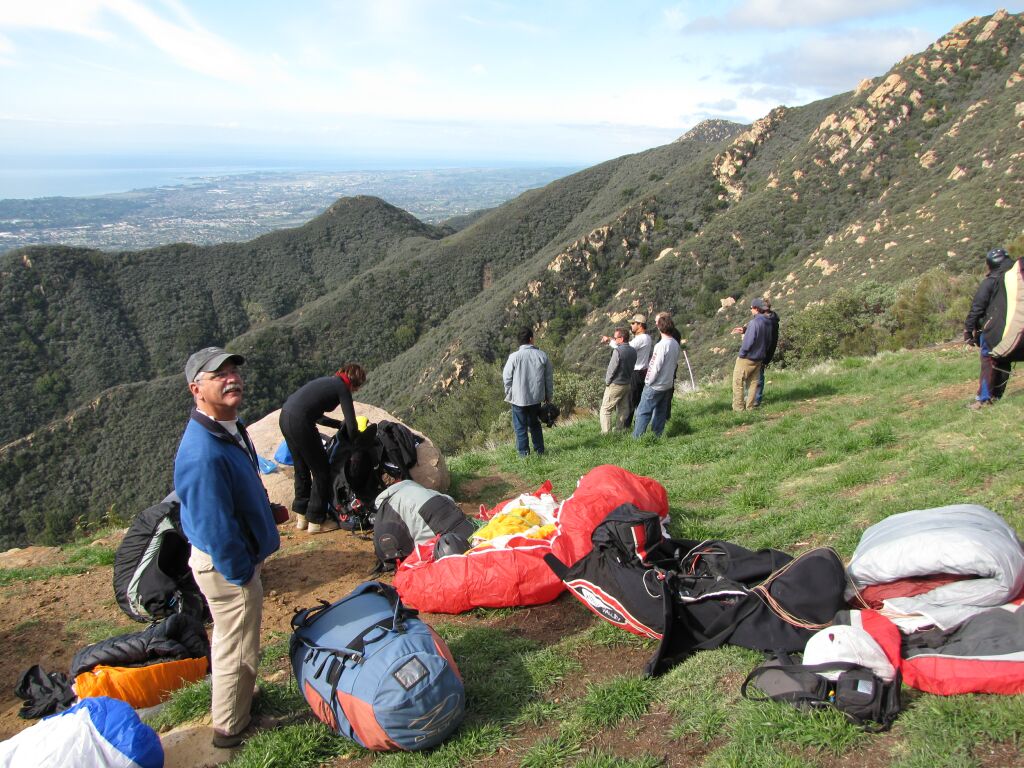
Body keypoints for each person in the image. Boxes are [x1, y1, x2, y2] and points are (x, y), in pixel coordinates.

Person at [173, 347, 281, 749]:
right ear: (196, 389)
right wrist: (241, 573)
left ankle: (240, 698)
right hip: (227, 566)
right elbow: (213, 526)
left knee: (237, 640)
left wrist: (265, 513)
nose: (231, 377)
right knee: (236, 646)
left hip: (236, 556)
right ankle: (232, 728)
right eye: (219, 374)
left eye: (233, 370)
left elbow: (237, 491)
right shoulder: (202, 453)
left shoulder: (227, 429)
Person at [279, 365, 367, 533]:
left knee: (301, 467)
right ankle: (316, 520)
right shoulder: (342, 388)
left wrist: (337, 425)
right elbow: (352, 425)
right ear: (355, 383)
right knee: (321, 470)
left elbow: (318, 416)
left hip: (285, 416)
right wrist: (356, 443)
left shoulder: (329, 382)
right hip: (301, 423)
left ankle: (302, 517)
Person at [964, 247, 1017, 409]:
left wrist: (968, 330)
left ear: (990, 265)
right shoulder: (1016, 279)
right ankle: (996, 396)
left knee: (989, 360)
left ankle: (984, 399)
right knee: (1004, 360)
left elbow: (977, 308)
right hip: (1015, 330)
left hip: (994, 330)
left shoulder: (990, 282)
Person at [503, 327, 554, 456]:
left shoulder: (513, 357)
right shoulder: (542, 355)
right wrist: (548, 395)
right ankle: (540, 452)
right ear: (531, 339)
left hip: (518, 399)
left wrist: (509, 393)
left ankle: (524, 454)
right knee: (535, 425)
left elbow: (506, 377)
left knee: (520, 427)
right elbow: (548, 378)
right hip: (536, 399)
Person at [632, 314, 681, 437]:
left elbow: (655, 366)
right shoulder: (675, 343)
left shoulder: (661, 345)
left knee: (643, 412)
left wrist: (648, 381)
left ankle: (637, 438)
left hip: (655, 385)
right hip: (667, 384)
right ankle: (657, 436)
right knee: (660, 412)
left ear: (659, 327)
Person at [602, 314, 652, 426]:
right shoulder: (647, 337)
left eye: (633, 323)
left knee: (629, 403)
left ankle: (625, 427)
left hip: (635, 373)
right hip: (641, 373)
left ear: (640, 325)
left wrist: (610, 341)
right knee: (635, 401)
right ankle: (634, 425)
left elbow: (624, 349)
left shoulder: (641, 339)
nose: (631, 325)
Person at [733, 298, 773, 411]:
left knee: (737, 382)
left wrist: (742, 354)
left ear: (756, 309)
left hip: (747, 358)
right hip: (759, 358)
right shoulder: (769, 322)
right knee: (753, 383)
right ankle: (750, 407)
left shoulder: (754, 323)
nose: (751, 310)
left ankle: (738, 408)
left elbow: (748, 342)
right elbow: (769, 340)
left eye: (751, 308)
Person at [599, 327, 637, 433]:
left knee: (605, 409)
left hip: (616, 384)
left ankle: (606, 433)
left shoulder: (618, 351)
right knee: (623, 408)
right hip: (627, 384)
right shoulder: (633, 351)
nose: (614, 339)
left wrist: (607, 382)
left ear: (622, 338)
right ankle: (619, 430)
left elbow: (612, 369)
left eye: (615, 338)